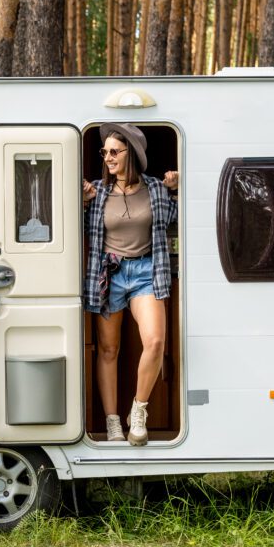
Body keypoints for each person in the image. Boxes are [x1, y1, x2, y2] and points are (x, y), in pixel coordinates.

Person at [83, 123, 178, 446]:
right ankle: (112, 422)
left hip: (146, 272)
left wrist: (177, 189)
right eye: (104, 152)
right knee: (109, 350)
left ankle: (138, 411)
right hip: (109, 275)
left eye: (114, 151)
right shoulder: (97, 192)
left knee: (154, 341)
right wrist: (81, 203)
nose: (107, 158)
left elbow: (177, 218)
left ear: (132, 154)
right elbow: (73, 228)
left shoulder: (155, 189)